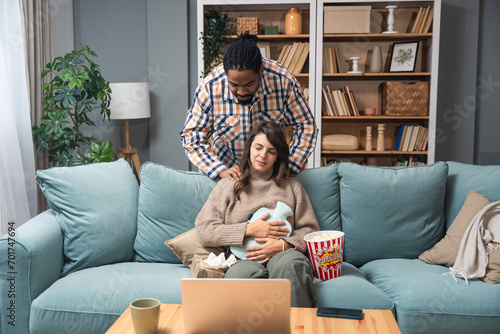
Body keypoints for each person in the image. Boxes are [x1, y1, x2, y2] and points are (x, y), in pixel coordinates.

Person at [195, 121, 320, 307]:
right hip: (242, 260)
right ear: (249, 148)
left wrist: (284, 245)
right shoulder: (228, 185)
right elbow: (205, 230)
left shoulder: (292, 186)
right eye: (258, 147)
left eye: (271, 151)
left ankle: (298, 326)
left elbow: (311, 230)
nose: (263, 155)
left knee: (293, 265)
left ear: (278, 156)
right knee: (239, 278)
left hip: (284, 256)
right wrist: (249, 229)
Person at [181, 32, 317, 181]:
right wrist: (219, 170)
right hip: (228, 175)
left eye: (249, 84)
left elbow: (306, 126)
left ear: (260, 71)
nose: (241, 92)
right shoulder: (209, 88)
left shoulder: (283, 82)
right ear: (226, 74)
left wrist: (290, 165)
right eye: (234, 85)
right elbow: (192, 136)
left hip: (272, 175)